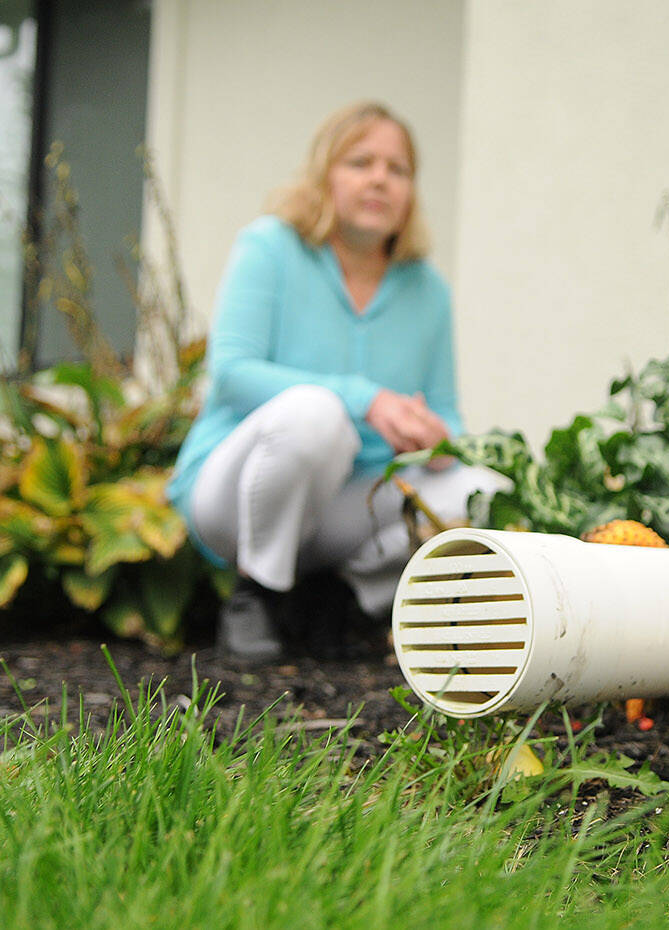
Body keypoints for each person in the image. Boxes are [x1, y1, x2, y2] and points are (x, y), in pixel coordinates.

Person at [166, 101, 501, 662]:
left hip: (347, 504)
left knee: (484, 492)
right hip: (237, 495)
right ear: (324, 174)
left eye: (398, 169)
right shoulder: (269, 248)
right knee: (316, 415)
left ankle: (344, 600)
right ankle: (259, 595)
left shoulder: (429, 291)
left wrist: (439, 442)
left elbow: (448, 412)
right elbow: (230, 373)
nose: (380, 179)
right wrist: (366, 400)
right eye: (360, 161)